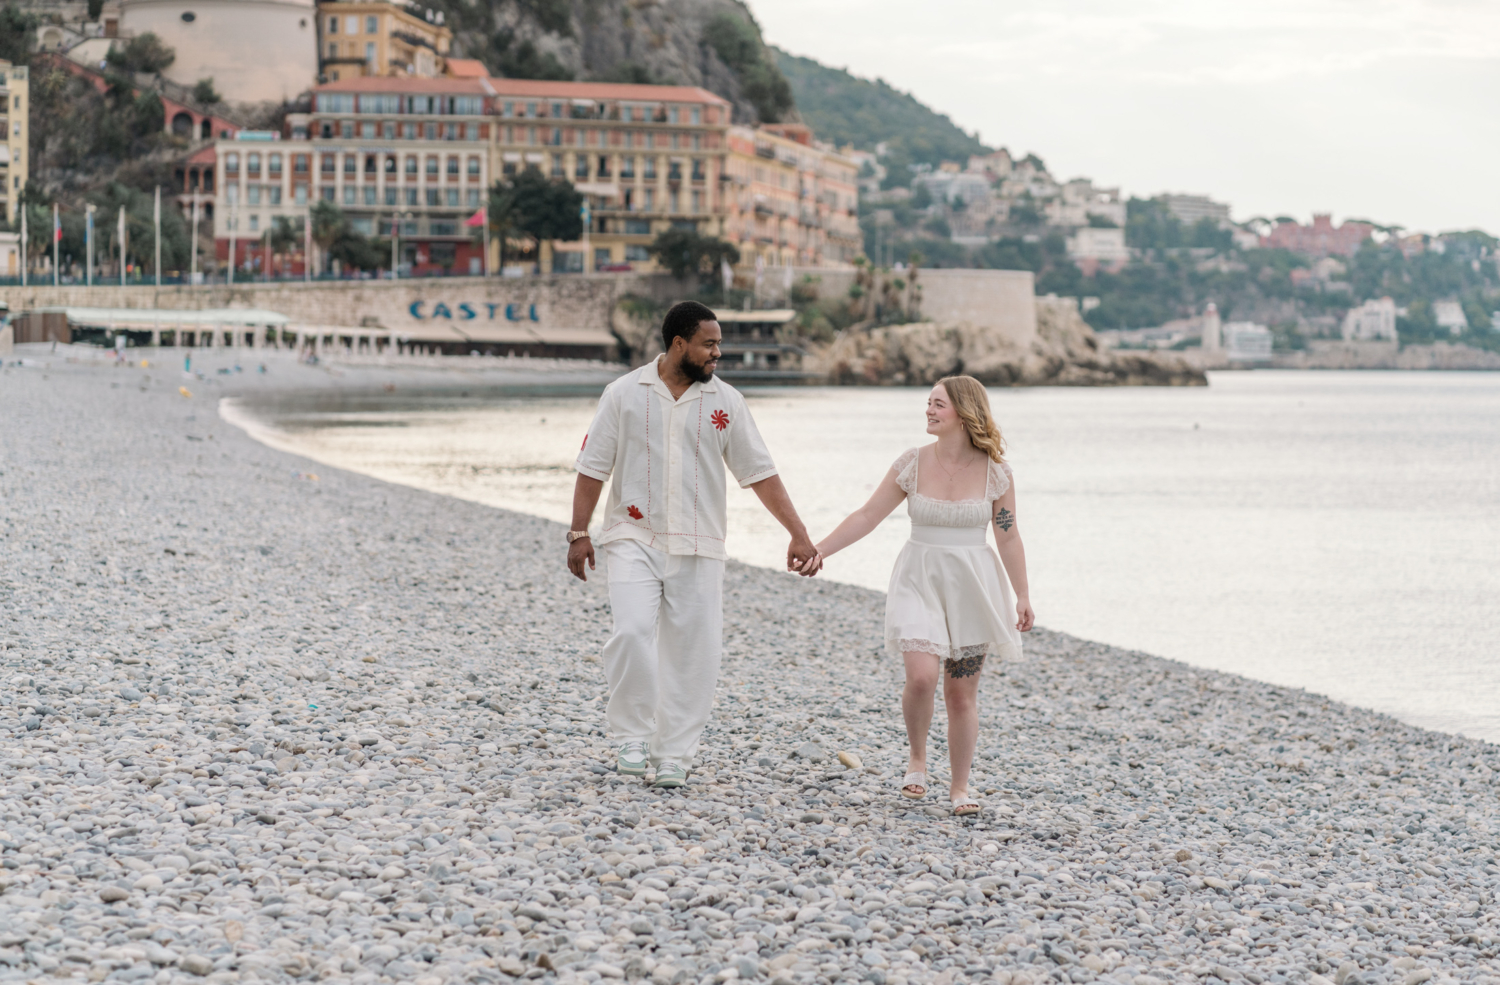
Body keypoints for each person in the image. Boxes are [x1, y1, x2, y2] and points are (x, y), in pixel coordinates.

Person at [567, 300, 821, 788]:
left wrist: (798, 533)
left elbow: (760, 474)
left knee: (693, 652)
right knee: (632, 632)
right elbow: (592, 466)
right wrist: (579, 533)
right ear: (679, 344)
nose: (717, 354)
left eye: (719, 344)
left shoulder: (727, 402)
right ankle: (633, 735)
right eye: (710, 344)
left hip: (700, 542)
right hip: (631, 535)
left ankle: (675, 753)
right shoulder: (622, 394)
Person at [812, 376, 1033, 815]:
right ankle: (917, 758)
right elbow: (868, 515)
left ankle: (960, 788)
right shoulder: (911, 463)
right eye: (928, 403)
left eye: (938, 405)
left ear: (964, 412)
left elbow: (1007, 537)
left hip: (974, 588)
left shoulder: (997, 473)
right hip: (918, 579)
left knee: (960, 695)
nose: (929, 411)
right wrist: (819, 549)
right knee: (921, 677)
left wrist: (1022, 594)